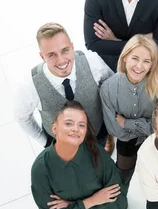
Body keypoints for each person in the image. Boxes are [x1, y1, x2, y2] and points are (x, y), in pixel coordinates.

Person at [14, 22, 114, 151]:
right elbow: (22, 117)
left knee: (100, 154)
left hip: (97, 130)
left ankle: (105, 141)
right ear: (42, 56)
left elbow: (110, 85)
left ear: (72, 47)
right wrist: (45, 142)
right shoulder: (29, 85)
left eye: (65, 50)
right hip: (61, 145)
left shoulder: (92, 61)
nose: (61, 60)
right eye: (51, 54)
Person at [100, 35, 158, 191]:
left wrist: (128, 123)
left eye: (146, 61)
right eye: (135, 58)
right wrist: (149, 125)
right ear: (125, 57)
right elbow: (115, 131)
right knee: (122, 176)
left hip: (157, 140)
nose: (139, 66)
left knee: (157, 179)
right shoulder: (108, 88)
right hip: (127, 141)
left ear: (152, 64)